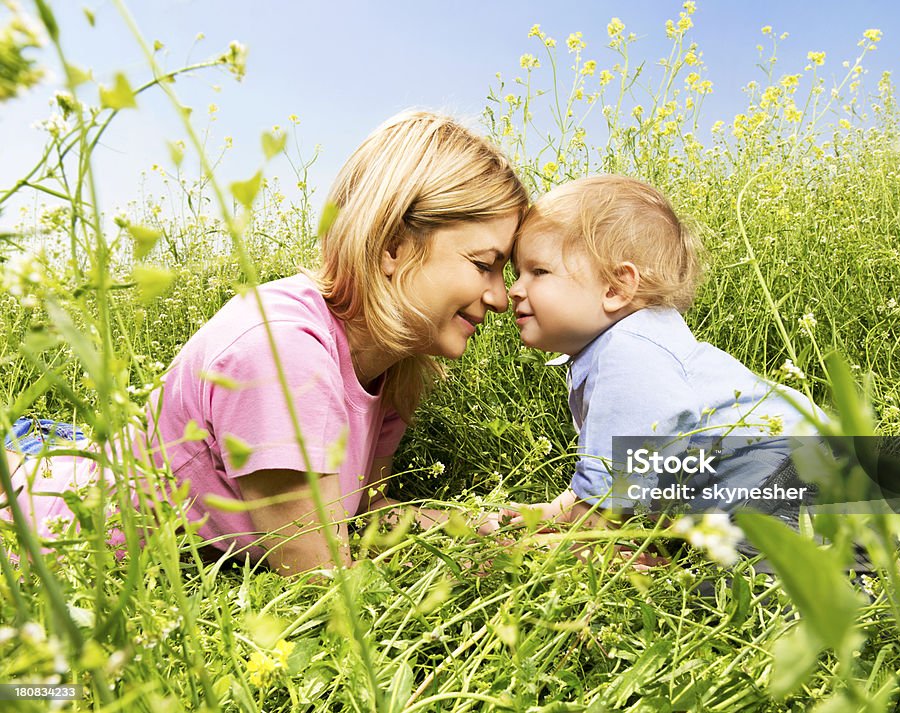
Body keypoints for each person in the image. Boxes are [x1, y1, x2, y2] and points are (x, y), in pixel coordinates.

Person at [2, 110, 528, 575]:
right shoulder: (284, 354)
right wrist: (493, 573)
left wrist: (500, 530)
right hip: (44, 536)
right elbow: (319, 572)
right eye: (484, 265)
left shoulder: (392, 366)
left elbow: (358, 509)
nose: (500, 297)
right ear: (392, 246)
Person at [505, 174, 823, 527]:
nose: (516, 289)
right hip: (808, 474)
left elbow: (606, 501)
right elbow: (605, 481)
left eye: (538, 271)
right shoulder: (628, 344)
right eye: (517, 273)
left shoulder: (627, 354)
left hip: (794, 475)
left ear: (615, 287)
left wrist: (576, 538)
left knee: (732, 577)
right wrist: (546, 514)